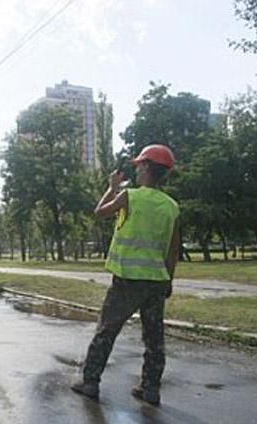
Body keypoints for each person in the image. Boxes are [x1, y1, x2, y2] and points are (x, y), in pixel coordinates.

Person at [71, 144, 180, 406]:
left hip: (127, 281)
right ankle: (150, 389)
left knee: (106, 331)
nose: (137, 169)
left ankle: (90, 382)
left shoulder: (130, 196)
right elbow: (173, 250)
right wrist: (169, 280)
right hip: (156, 282)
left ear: (144, 168)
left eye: (139, 165)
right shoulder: (172, 207)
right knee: (154, 338)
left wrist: (112, 187)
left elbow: (99, 213)